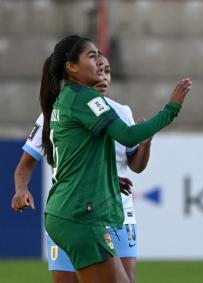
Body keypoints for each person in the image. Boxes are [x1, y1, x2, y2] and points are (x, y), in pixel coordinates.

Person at [37, 34, 190, 283]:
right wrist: (170, 111)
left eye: (99, 55)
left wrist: (106, 178)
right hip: (80, 216)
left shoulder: (67, 97)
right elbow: (128, 136)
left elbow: (73, 158)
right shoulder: (86, 98)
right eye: (92, 56)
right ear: (71, 67)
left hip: (69, 211)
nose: (99, 62)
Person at [12, 53, 152, 283]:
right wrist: (21, 189)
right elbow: (25, 164)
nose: (103, 76)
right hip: (72, 210)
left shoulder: (121, 113)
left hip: (117, 213)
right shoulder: (56, 113)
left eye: (108, 71)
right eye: (99, 69)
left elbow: (135, 165)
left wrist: (146, 144)